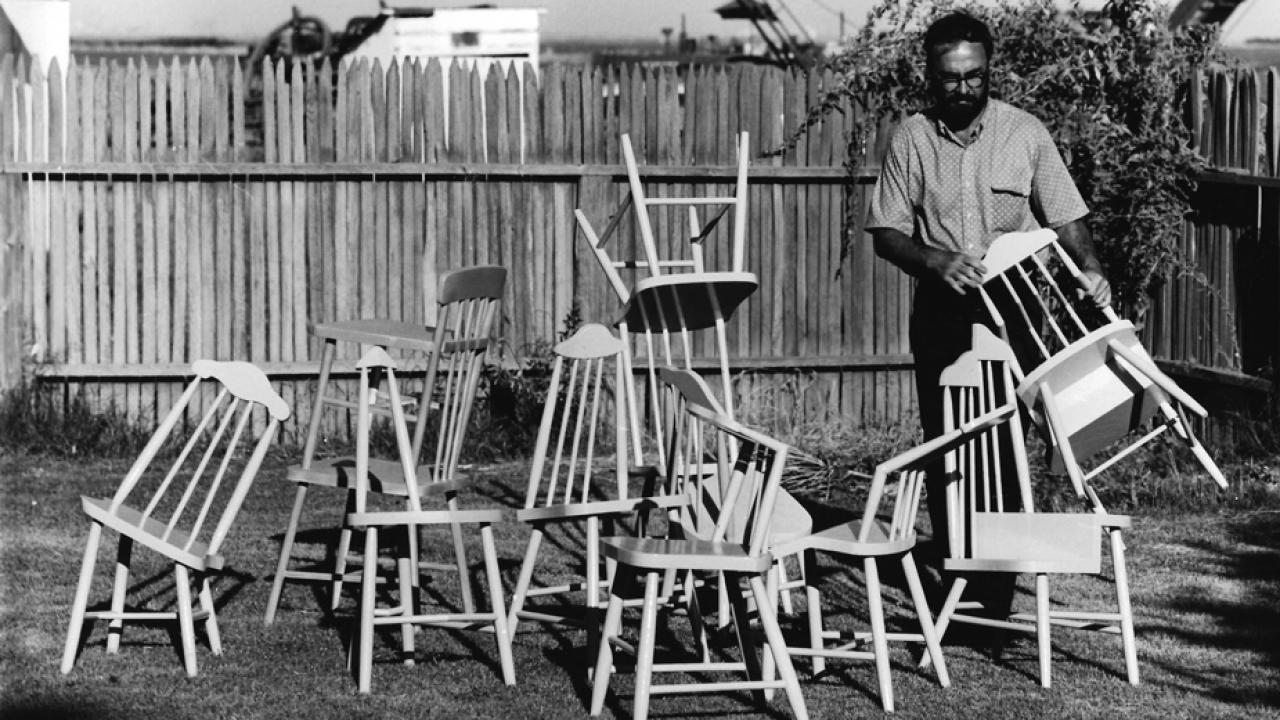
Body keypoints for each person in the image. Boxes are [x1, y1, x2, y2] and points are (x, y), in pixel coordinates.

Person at [864, 11, 1111, 629]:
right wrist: (932, 259)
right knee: (949, 443)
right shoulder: (911, 139)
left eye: (975, 76)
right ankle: (958, 570)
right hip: (944, 309)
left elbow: (1066, 214)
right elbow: (887, 233)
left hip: (1019, 307)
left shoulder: (1025, 133)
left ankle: (995, 585)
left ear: (989, 70)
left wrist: (1092, 268)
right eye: (950, 78)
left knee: (1003, 443)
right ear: (930, 75)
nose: (964, 89)